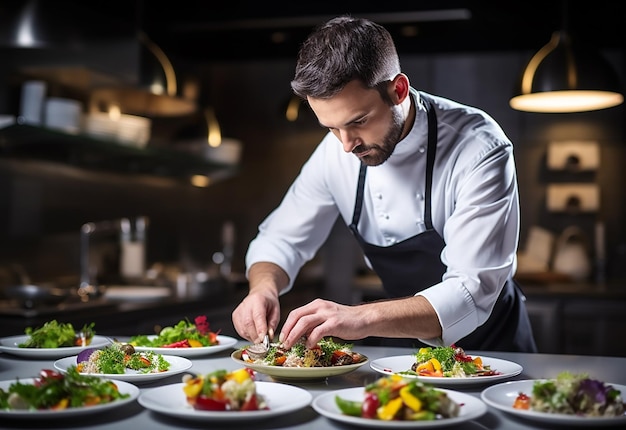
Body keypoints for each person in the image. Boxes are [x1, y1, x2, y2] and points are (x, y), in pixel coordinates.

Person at [232, 15, 537, 353]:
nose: (347, 144)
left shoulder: (479, 148)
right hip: (411, 353)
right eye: (331, 128)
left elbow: (470, 290)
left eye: (358, 121)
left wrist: (358, 318)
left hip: (496, 347)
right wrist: (262, 290)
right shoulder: (336, 152)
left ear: (398, 90)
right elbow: (281, 239)